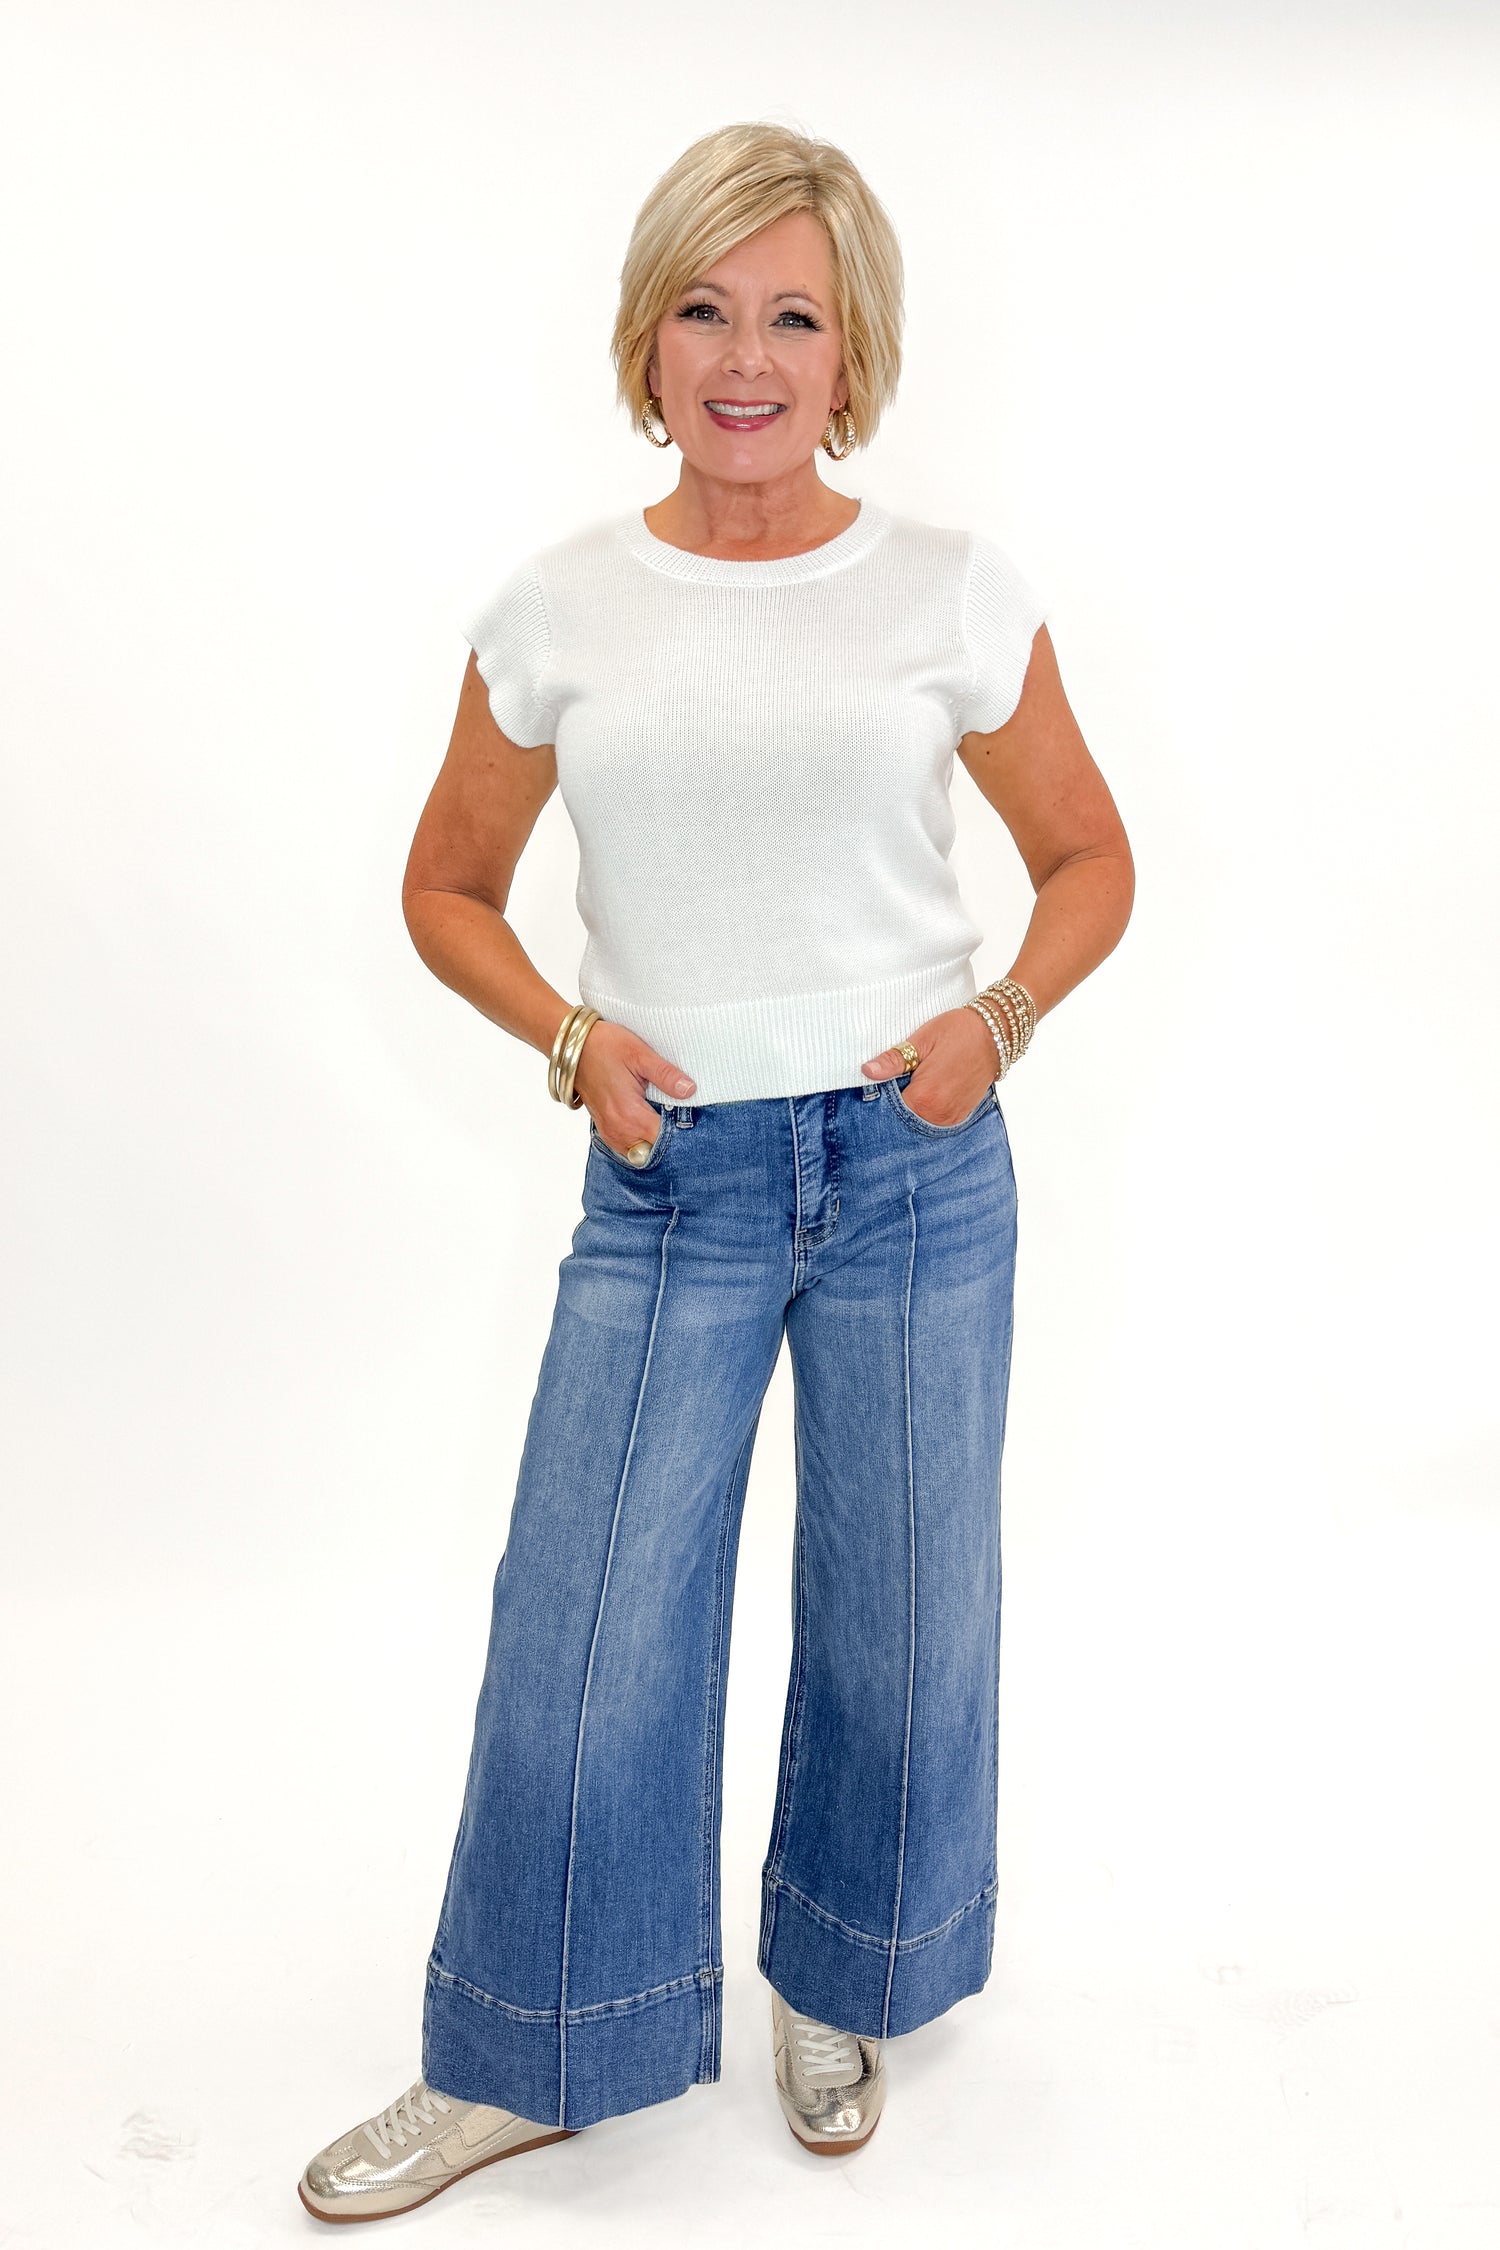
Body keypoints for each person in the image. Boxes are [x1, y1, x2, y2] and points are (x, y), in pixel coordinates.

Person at [298, 118, 1133, 2224]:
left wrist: (997, 1026)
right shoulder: (561, 607)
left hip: (918, 1158)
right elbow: (450, 887)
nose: (742, 356)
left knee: (906, 1614)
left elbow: (1090, 859)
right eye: (703, 307)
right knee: (584, 1627)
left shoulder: (949, 590)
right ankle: (528, 2052)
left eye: (790, 315)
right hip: (667, 1175)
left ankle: (841, 1979)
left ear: (850, 355)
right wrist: (571, 1043)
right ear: (644, 334)